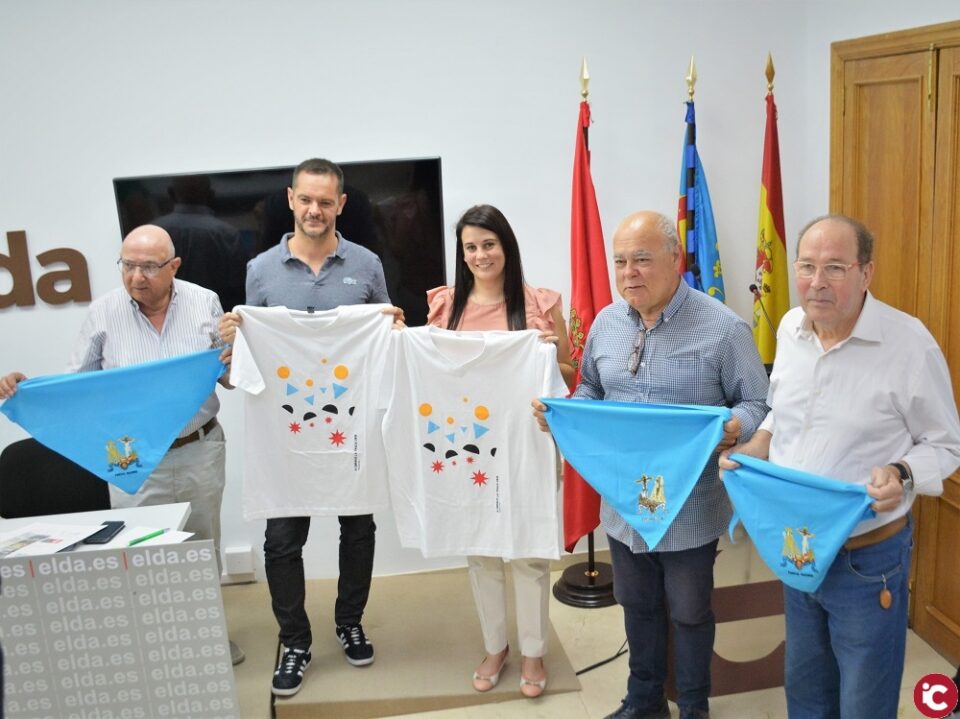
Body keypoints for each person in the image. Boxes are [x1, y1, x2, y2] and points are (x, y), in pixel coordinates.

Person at [719, 214, 960, 719]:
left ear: (866, 273)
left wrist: (902, 473)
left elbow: (945, 444)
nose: (816, 282)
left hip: (867, 560)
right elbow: (781, 413)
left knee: (863, 702)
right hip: (798, 547)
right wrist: (758, 445)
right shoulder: (789, 327)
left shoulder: (908, 344)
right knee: (806, 690)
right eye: (806, 266)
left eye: (835, 268)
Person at [533, 211, 770, 719]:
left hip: (690, 504)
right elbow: (593, 391)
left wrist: (732, 426)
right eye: (620, 261)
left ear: (675, 260)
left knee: (688, 612)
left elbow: (759, 405)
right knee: (637, 605)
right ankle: (643, 701)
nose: (628, 272)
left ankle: (692, 707)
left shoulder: (724, 328)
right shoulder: (605, 324)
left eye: (642, 259)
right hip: (622, 503)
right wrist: (565, 415)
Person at [0, 224, 244, 665]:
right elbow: (77, 384)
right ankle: (158, 648)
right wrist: (28, 388)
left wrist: (234, 351)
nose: (137, 277)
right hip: (130, 458)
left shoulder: (205, 302)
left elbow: (227, 378)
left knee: (201, 549)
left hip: (198, 448)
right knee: (141, 552)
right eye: (128, 265)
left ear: (173, 267)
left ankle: (207, 639)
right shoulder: (104, 312)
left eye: (149, 267)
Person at [218, 158, 402, 698]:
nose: (315, 210)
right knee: (281, 541)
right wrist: (235, 335)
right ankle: (294, 640)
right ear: (291, 199)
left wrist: (391, 327)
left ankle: (350, 621)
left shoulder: (366, 265)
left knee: (360, 529)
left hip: (351, 431)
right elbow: (248, 362)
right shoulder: (261, 269)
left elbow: (384, 348)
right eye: (306, 200)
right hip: (289, 434)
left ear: (340, 204)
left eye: (326, 201)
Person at [425, 204, 575, 699]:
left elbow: (572, 375)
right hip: (466, 445)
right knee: (481, 548)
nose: (480, 254)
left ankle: (533, 651)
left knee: (529, 550)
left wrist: (552, 353)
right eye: (470, 246)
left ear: (506, 246)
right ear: (461, 253)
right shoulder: (445, 307)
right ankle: (496, 646)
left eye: (489, 243)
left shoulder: (539, 302)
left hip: (528, 441)